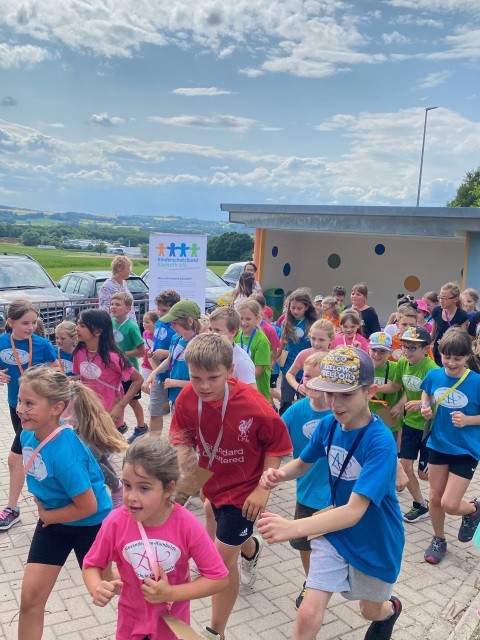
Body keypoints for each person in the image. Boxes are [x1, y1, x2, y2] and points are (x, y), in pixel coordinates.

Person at [258, 346, 404, 640]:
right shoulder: (328, 424)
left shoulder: (380, 441)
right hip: (332, 530)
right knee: (309, 611)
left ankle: (391, 609)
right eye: (329, 393)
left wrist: (292, 527)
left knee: (370, 611)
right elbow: (302, 463)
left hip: (375, 539)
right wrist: (280, 474)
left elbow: (354, 512)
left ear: (369, 391)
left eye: (346, 394)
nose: (335, 403)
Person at [169, 333, 293, 640]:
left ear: (230, 371)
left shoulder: (254, 405)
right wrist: (184, 460)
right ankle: (250, 546)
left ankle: (216, 631)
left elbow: (278, 447)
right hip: (211, 482)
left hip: (245, 492)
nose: (204, 386)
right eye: (196, 378)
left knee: (219, 564)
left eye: (213, 377)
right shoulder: (187, 397)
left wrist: (263, 489)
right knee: (224, 535)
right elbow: (181, 435)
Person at [82, 437, 229, 640]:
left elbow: (218, 578)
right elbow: (91, 565)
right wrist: (96, 587)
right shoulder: (115, 522)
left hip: (170, 626)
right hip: (130, 623)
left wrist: (170, 594)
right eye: (127, 485)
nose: (131, 496)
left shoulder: (187, 525)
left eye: (144, 488)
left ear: (168, 489)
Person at [17, 368, 112, 640]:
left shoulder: (66, 452)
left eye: (30, 403)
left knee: (109, 585)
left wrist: (47, 515)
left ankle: (160, 596)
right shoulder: (27, 433)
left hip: (89, 525)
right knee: (30, 599)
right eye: (21, 401)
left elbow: (88, 506)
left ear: (57, 408)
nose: (21, 409)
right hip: (54, 522)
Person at [420, 329, 480, 564]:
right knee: (435, 498)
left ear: (468, 356)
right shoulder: (434, 376)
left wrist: (469, 420)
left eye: (457, 358)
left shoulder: (476, 381)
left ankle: (473, 509)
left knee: (450, 503)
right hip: (439, 443)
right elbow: (427, 393)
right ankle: (439, 539)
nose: (451, 363)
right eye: (447, 357)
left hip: (466, 449)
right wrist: (426, 407)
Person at [0, 299, 58, 531]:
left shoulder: (42, 344)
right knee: (36, 455)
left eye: (34, 322)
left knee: (17, 458)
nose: (31, 327)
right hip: (18, 409)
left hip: (41, 412)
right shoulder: (2, 342)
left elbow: (58, 371)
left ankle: (13, 508)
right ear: (11, 322)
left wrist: (44, 376)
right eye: (25, 323)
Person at [281, 352, 332, 610]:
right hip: (307, 491)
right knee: (305, 544)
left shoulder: (339, 412)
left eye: (315, 377)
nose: (308, 382)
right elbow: (274, 437)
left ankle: (324, 582)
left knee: (330, 544)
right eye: (306, 376)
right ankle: (311, 580)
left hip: (337, 495)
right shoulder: (296, 410)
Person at [376, 326, 438, 523]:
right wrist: (372, 387)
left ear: (425, 349)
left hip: (430, 427)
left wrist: (421, 403)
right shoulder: (402, 363)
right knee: (405, 466)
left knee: (425, 475)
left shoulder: (433, 370)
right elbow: (395, 386)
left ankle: (442, 500)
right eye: (405, 346)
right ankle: (420, 504)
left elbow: (441, 396)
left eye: (413, 348)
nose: (407, 351)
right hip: (410, 423)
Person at [73, 309, 143, 434]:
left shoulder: (112, 357)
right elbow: (82, 378)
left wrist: (120, 406)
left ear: (98, 331)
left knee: (103, 452)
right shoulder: (79, 352)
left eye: (82, 325)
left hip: (108, 415)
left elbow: (138, 379)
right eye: (77, 324)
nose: (77, 328)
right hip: (86, 413)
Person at [146, 300, 201, 411]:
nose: (171, 326)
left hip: (192, 400)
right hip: (175, 397)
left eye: (175, 322)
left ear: (189, 321)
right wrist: (155, 372)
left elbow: (201, 383)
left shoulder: (199, 345)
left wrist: (176, 383)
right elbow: (170, 359)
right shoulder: (176, 339)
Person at [110, 292, 147, 443]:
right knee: (114, 398)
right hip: (114, 370)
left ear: (127, 309)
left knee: (132, 400)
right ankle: (120, 425)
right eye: (112, 304)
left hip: (129, 371)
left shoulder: (131, 327)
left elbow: (141, 351)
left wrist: (122, 354)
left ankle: (141, 426)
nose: (113, 307)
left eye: (117, 305)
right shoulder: (110, 323)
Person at [145, 290, 180, 435]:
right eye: (159, 309)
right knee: (155, 411)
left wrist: (164, 353)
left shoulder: (177, 326)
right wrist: (153, 350)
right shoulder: (159, 322)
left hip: (173, 375)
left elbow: (180, 351)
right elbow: (158, 341)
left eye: (164, 310)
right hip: (159, 375)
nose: (160, 313)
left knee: (176, 414)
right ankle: (154, 445)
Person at [280, 288, 318, 415]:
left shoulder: (312, 323)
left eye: (299, 308)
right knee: (285, 401)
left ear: (306, 307)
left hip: (307, 368)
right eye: (293, 307)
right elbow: (283, 341)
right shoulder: (286, 321)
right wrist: (275, 359)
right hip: (289, 366)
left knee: (306, 402)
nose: (295, 311)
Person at [367, 332, 403, 446]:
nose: (377, 355)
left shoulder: (396, 367)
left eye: (382, 351)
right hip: (366, 416)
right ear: (368, 349)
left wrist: (401, 404)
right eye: (374, 350)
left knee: (389, 450)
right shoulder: (362, 366)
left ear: (390, 352)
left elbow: (407, 389)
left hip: (389, 416)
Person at [208, 306, 256, 386]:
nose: (211, 334)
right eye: (210, 329)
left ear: (233, 332)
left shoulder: (242, 362)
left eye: (217, 330)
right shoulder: (207, 353)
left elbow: (251, 395)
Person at [285, 319, 335, 395]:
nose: (316, 343)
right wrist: (297, 386)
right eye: (313, 338)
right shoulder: (304, 354)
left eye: (321, 340)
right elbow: (290, 373)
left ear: (331, 339)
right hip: (307, 396)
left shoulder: (335, 357)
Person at [234, 299, 271, 400]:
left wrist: (239, 380)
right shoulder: (237, 334)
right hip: (240, 387)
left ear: (257, 318)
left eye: (248, 319)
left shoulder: (261, 341)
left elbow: (259, 369)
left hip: (258, 389)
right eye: (241, 318)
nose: (243, 322)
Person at [431, 283, 468, 366]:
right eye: (440, 297)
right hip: (436, 354)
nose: (441, 301)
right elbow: (432, 335)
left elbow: (463, 340)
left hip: (452, 355)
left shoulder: (462, 315)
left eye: (444, 298)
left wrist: (445, 342)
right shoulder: (436, 311)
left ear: (455, 299)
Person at [98, 255, 136, 322]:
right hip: (117, 326)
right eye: (128, 269)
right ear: (120, 270)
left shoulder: (124, 283)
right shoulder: (107, 287)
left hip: (129, 324)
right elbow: (105, 311)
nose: (130, 271)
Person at [139, 310, 158, 382]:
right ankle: (151, 393)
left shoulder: (157, 335)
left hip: (155, 364)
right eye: (143, 322)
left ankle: (152, 393)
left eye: (147, 322)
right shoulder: (145, 333)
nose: (144, 324)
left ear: (155, 323)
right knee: (142, 384)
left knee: (154, 385)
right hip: (146, 363)